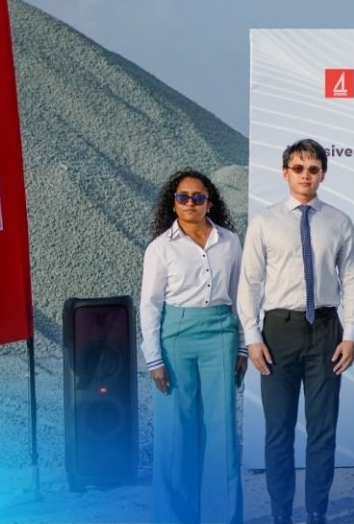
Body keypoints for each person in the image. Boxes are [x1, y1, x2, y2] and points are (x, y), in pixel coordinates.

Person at [236, 139, 354, 524]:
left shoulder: (339, 221)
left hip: (326, 329)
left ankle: (316, 512)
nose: (305, 175)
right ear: (285, 172)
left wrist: (351, 334)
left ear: (323, 174)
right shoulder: (264, 222)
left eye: (313, 169)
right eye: (298, 168)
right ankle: (281, 514)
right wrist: (252, 338)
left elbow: (352, 280)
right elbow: (249, 283)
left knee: (323, 429)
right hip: (278, 331)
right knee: (279, 430)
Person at [140, 169, 246, 524]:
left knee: (222, 431)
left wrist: (243, 347)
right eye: (183, 197)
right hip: (176, 337)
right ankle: (174, 517)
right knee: (175, 431)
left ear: (209, 203)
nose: (190, 203)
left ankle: (223, 517)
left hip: (221, 334)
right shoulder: (160, 248)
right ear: (173, 204)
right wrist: (154, 358)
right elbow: (150, 305)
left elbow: (240, 297)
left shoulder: (230, 242)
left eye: (198, 197)